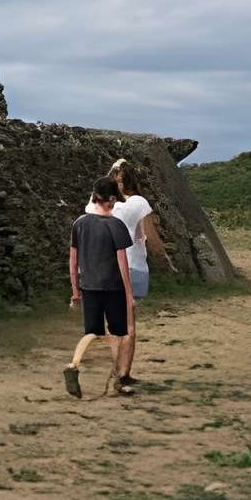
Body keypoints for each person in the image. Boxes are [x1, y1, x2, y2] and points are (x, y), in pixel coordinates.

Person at [104, 156, 175, 387]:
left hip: (106, 269)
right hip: (132, 267)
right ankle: (123, 374)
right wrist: (165, 260)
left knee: (114, 325)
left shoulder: (106, 205)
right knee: (129, 326)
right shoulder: (139, 203)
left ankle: (115, 370)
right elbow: (151, 238)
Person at [65, 177, 135, 399]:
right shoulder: (116, 225)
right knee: (117, 334)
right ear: (111, 199)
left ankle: (73, 365)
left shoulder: (79, 223)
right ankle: (116, 379)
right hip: (113, 288)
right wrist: (129, 295)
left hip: (89, 287)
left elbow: (73, 261)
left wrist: (75, 291)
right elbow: (123, 265)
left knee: (91, 334)